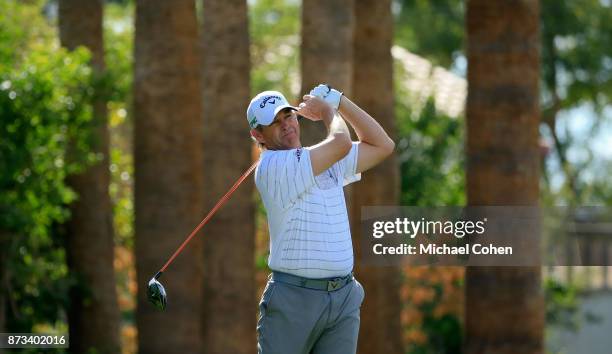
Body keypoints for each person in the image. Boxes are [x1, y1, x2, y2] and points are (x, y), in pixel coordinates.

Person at [247, 84, 394, 354]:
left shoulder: (322, 159)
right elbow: (340, 143)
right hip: (293, 300)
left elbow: (383, 145)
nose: (286, 125)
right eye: (275, 123)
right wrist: (328, 110)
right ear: (259, 135)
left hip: (343, 297)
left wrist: (341, 101)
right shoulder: (272, 168)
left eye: (288, 116)